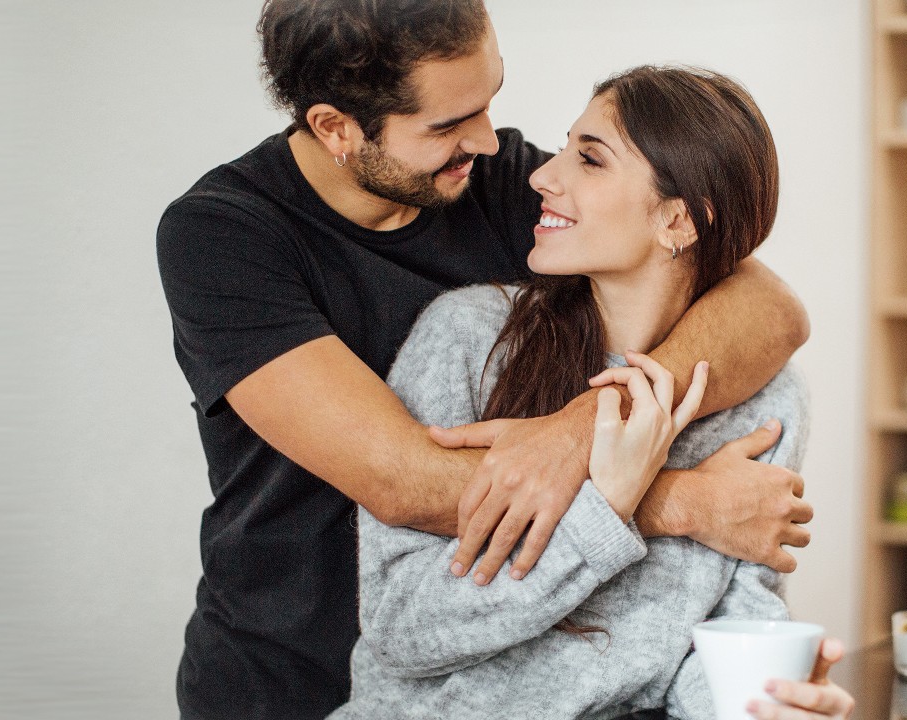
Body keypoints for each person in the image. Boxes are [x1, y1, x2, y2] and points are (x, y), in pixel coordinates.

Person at [156, 2, 817, 717]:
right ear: (336, 129)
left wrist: (587, 421)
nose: (491, 142)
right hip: (288, 672)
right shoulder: (224, 235)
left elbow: (769, 306)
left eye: (487, 101)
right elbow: (403, 479)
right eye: (446, 125)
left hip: (503, 659)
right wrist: (676, 500)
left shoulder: (489, 179)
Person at [329, 64, 853, 720]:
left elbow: (722, 637)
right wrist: (603, 510)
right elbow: (401, 628)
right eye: (563, 147)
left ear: (680, 221)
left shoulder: (767, 400)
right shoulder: (470, 338)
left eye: (590, 159)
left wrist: (765, 703)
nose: (544, 176)